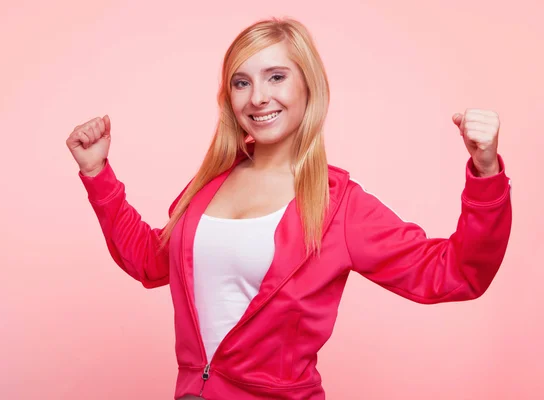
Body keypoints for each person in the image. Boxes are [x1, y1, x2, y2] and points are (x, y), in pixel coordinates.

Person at [65, 17, 512, 400]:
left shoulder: (339, 206)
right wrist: (97, 173)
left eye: (276, 77)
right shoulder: (205, 190)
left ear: (307, 86)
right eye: (242, 82)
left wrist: (485, 169)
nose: (258, 97)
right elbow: (148, 262)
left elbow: (456, 272)